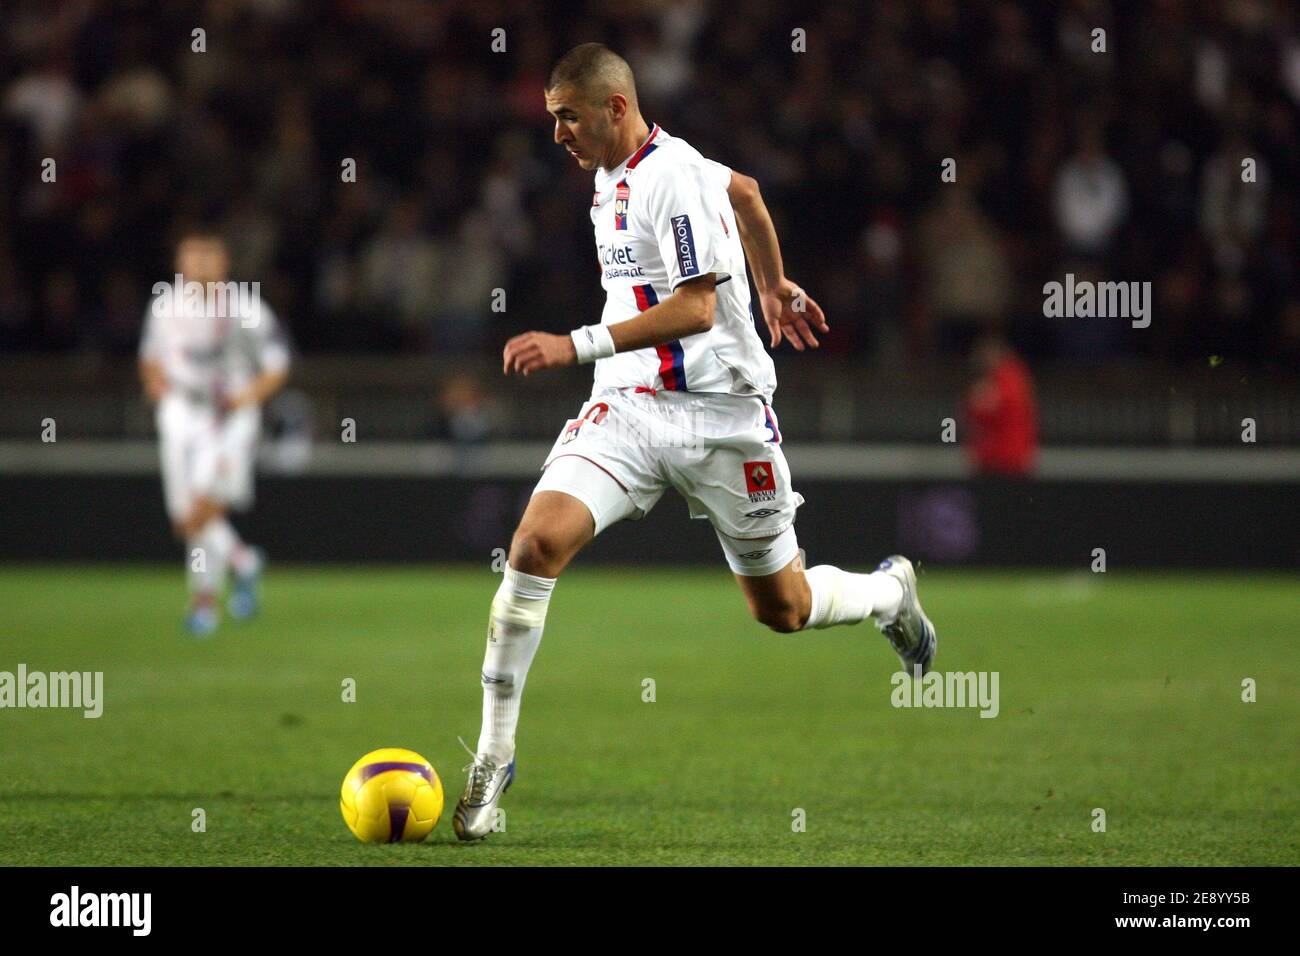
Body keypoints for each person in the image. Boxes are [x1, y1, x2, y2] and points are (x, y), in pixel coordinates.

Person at [454, 44, 937, 841]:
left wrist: (570, 344)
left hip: (722, 418)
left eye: (567, 118)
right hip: (632, 409)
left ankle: (891, 593)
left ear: (614, 108)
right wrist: (775, 280)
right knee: (535, 545)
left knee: (783, 609)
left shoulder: (670, 177)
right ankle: (495, 757)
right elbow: (745, 192)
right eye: (551, 119)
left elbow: (695, 312)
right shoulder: (626, 173)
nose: (558, 136)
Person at [138, 232, 290, 635]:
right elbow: (151, 358)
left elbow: (277, 365)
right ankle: (243, 562)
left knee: (205, 507)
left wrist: (248, 396)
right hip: (179, 410)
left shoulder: (246, 308)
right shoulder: (166, 306)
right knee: (186, 519)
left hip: (227, 416)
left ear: (224, 263)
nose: (199, 266)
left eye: (208, 257)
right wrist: (154, 383)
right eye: (192, 257)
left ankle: (203, 603)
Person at [963, 334, 1038, 475]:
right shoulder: (999, 378)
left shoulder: (1010, 377)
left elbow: (986, 407)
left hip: (1007, 460)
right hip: (996, 458)